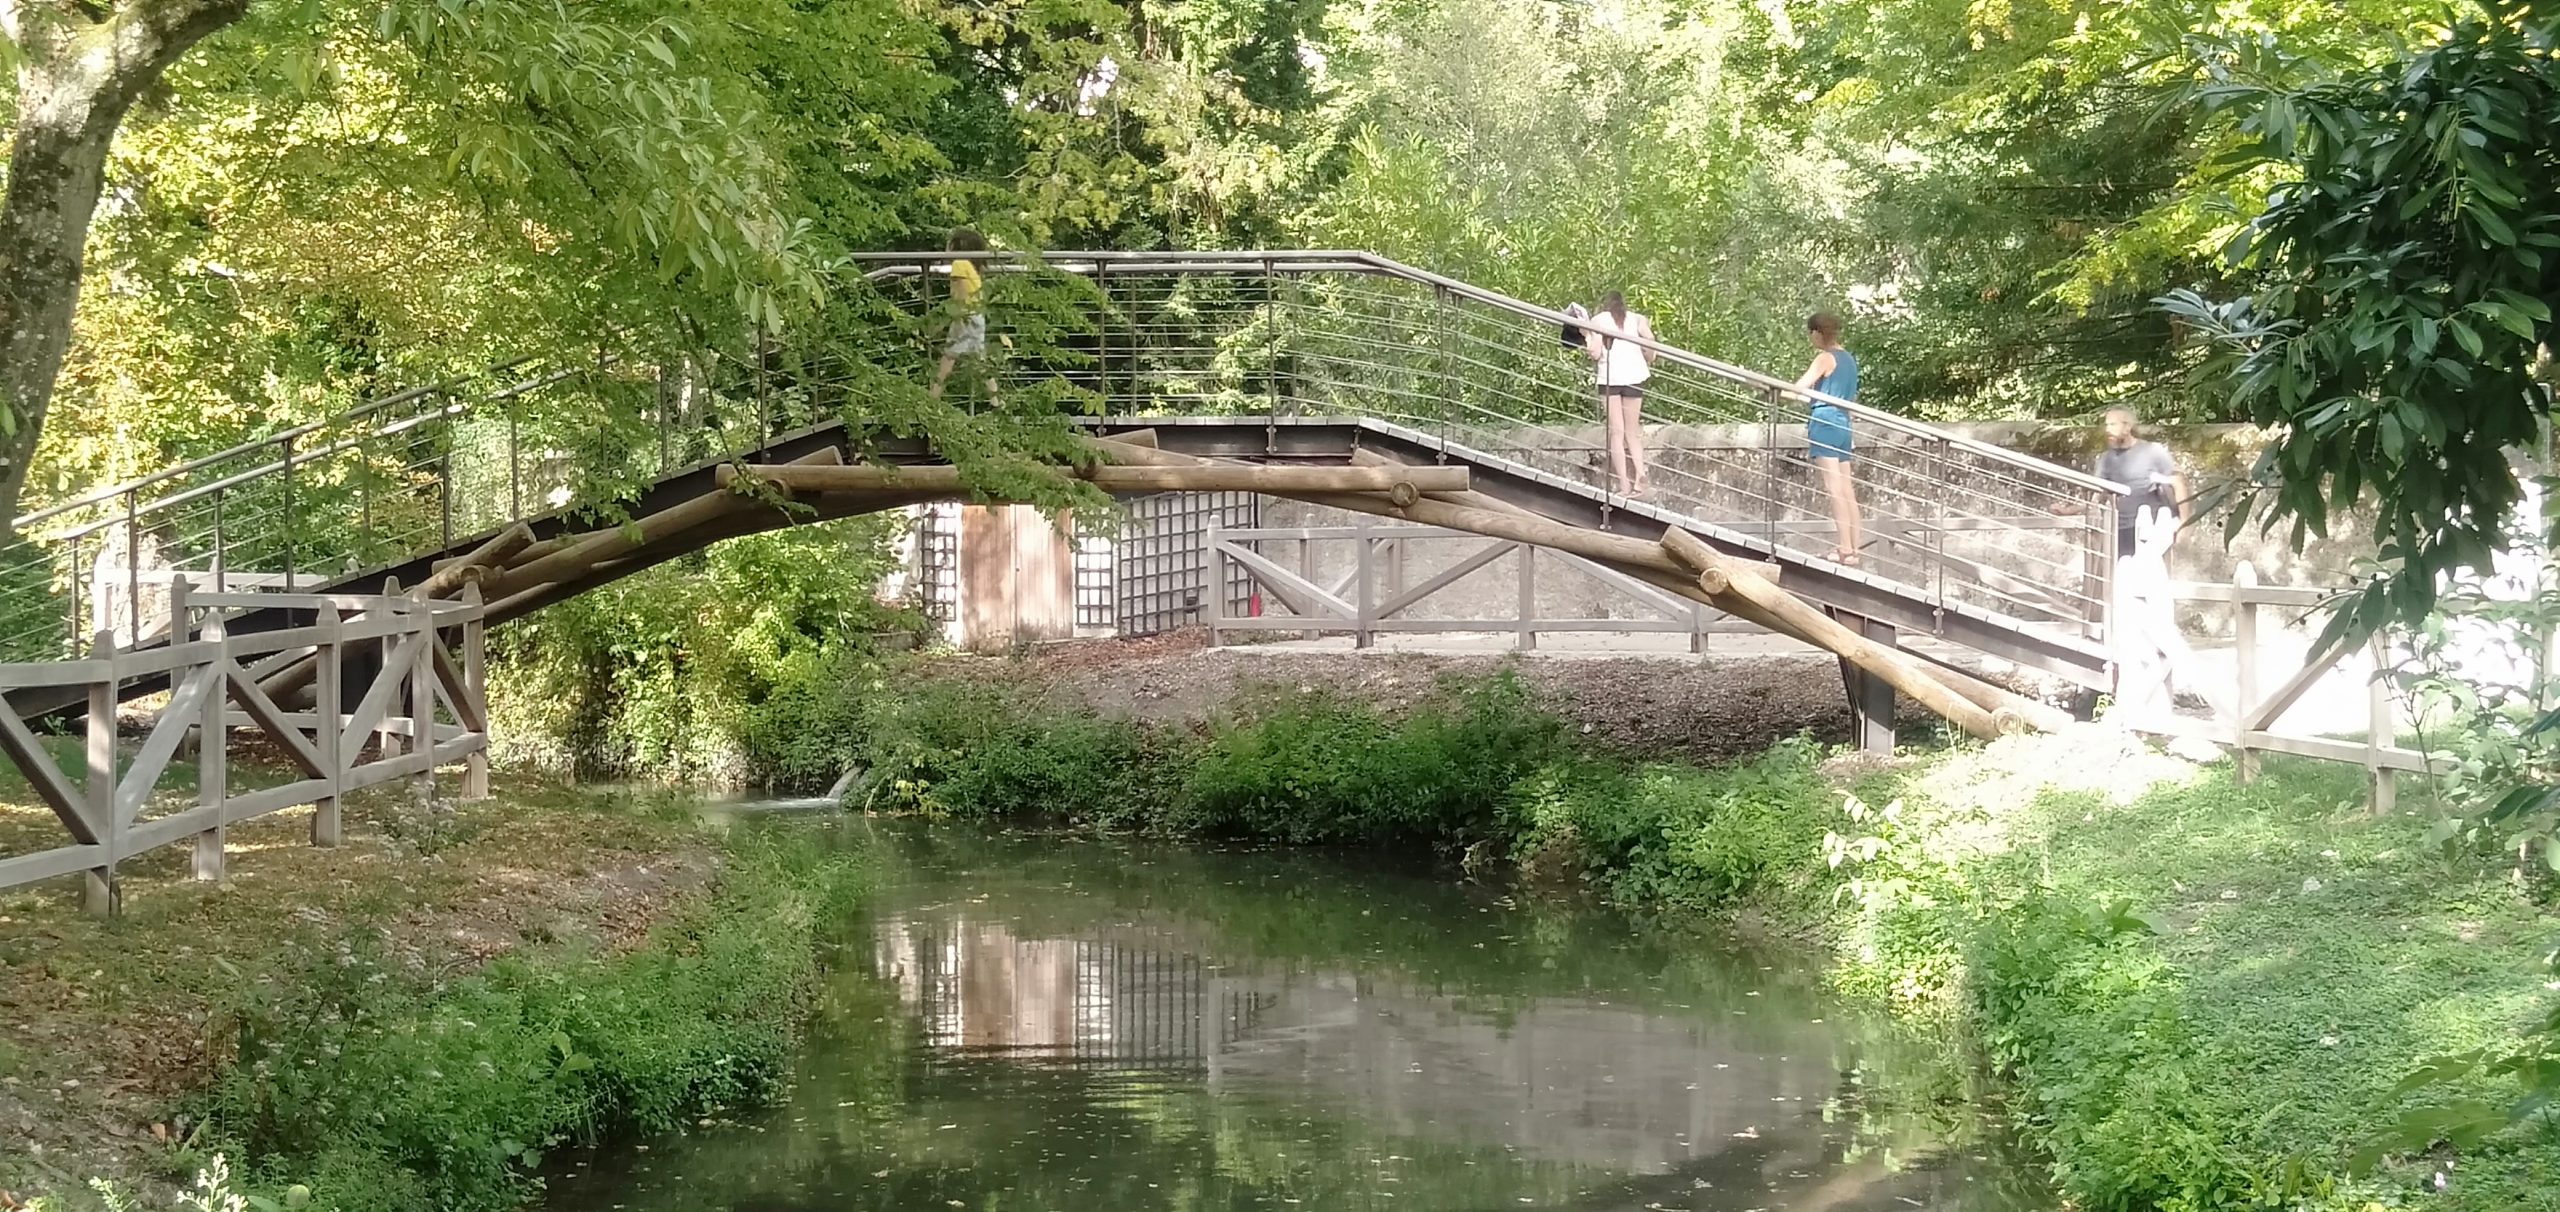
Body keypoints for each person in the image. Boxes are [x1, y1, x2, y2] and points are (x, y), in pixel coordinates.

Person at [2058, 407, 2192, 558]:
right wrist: (2068, 511)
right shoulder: (2106, 459)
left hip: (2151, 529)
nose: (2107, 430)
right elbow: (2098, 497)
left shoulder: (2153, 451)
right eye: (2107, 425)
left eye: (2113, 425)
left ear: (2127, 427)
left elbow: (2178, 483)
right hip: (2118, 532)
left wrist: (2184, 524)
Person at [1792, 312, 1863, 566]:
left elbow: (1798, 388)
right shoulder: (1849, 360)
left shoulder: (1825, 358)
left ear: (1817, 332)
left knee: (1834, 488)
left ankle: (1844, 547)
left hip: (1824, 422)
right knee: (1846, 488)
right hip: (1843, 423)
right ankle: (1853, 549)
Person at [1580, 291, 1654, 497]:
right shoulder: (1637, 319)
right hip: (1635, 376)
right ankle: (1640, 475)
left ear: (1605, 305)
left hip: (1610, 379)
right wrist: (1650, 356)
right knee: (1632, 432)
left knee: (1616, 433)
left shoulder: (1598, 320)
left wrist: (1586, 335)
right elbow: (1650, 338)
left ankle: (1624, 485)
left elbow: (1595, 353)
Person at [928, 227, 994, 402]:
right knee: (980, 362)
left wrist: (945, 320)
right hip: (976, 315)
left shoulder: (959, 264)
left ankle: (930, 401)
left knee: (947, 360)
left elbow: (960, 295)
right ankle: (997, 403)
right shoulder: (972, 266)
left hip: (965, 317)